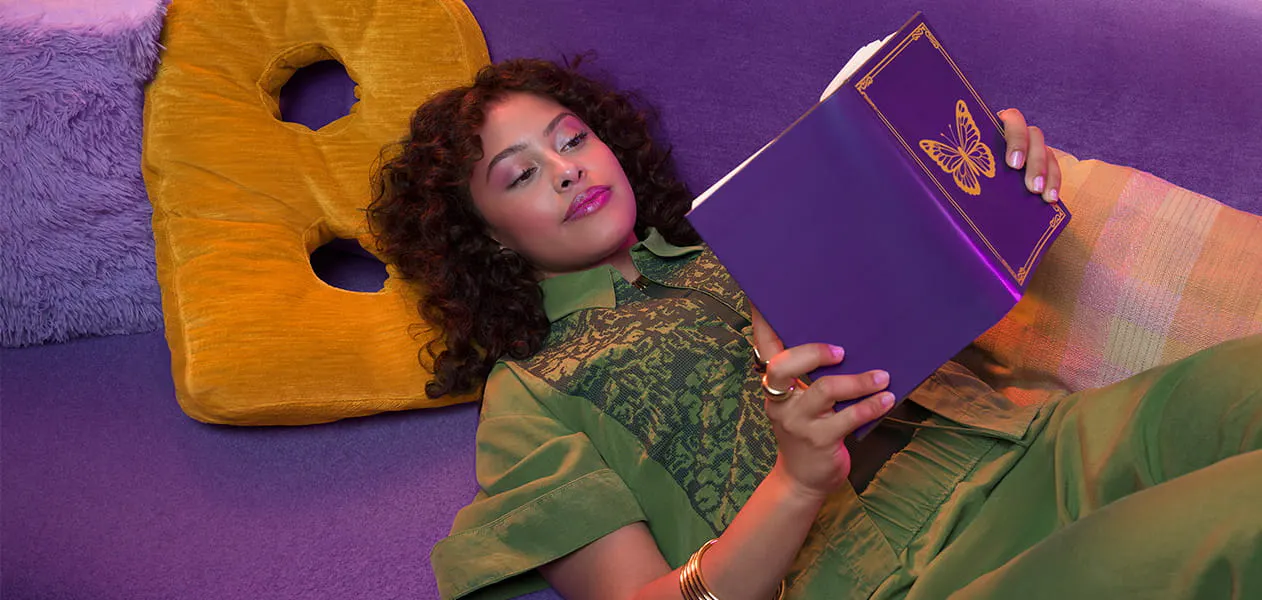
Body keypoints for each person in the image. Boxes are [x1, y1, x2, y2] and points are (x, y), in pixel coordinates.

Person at [366, 58, 1262, 600]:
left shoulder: (750, 232)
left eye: (571, 140)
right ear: (480, 234)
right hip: (914, 580)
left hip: (1041, 448)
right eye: (518, 176)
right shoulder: (532, 395)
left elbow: (944, 279)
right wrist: (795, 482)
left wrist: (994, 181)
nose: (565, 172)